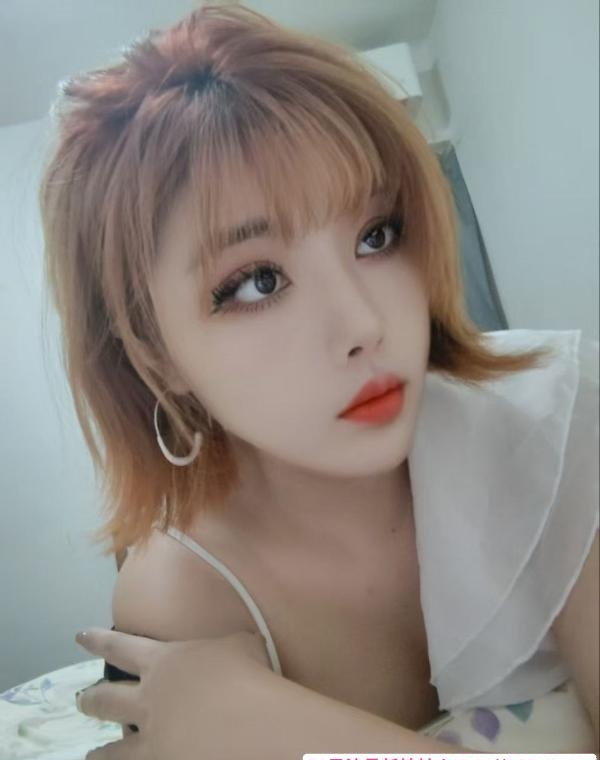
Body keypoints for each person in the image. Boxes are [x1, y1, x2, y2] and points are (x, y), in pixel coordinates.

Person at [39, 2, 598, 757]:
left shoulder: (548, 420)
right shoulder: (186, 596)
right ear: (153, 350)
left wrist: (286, 729)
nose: (363, 323)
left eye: (376, 235)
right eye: (257, 281)